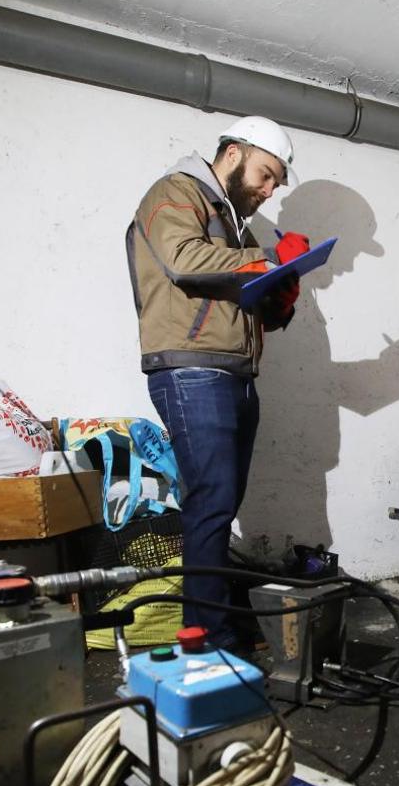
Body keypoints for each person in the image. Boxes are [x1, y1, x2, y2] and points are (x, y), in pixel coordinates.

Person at [126, 116, 311, 649]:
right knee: (211, 501)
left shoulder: (236, 225)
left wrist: (279, 298)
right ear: (234, 153)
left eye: (276, 182)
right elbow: (183, 260)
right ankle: (207, 636)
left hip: (234, 372)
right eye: (266, 175)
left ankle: (217, 618)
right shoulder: (176, 191)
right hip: (191, 370)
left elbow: (239, 298)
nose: (269, 190)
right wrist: (269, 258)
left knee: (221, 504)